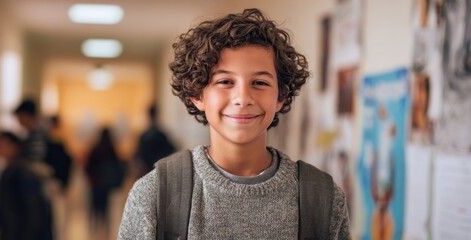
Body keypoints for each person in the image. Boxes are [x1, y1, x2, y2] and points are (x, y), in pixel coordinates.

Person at [118, 8, 350, 239]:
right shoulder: (154, 196)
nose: (243, 98)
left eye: (259, 82)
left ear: (281, 96)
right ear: (197, 94)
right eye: (225, 81)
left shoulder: (324, 201)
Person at [0, 131, 54, 240]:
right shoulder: (10, 172)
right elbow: (4, 208)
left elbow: (33, 211)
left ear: (14, 147)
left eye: (2, 144)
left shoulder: (21, 173)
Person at [85, 128, 125, 239]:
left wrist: (92, 178)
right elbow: (118, 166)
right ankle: (106, 233)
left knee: (95, 209)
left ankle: (94, 232)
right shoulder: (111, 150)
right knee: (106, 210)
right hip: (106, 185)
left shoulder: (95, 148)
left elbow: (88, 167)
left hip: (95, 184)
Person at [134, 104, 176, 174]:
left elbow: (139, 154)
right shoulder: (160, 134)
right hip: (158, 169)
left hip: (148, 170)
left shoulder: (145, 135)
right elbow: (171, 149)